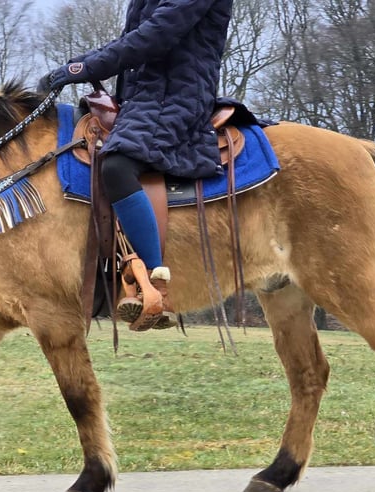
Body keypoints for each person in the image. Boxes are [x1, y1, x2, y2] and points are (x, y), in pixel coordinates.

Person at [39, 0, 234, 330]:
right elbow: (129, 38)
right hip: (141, 99)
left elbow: (154, 37)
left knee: (116, 166)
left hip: (174, 98)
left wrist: (85, 70)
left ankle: (155, 288)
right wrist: (77, 65)